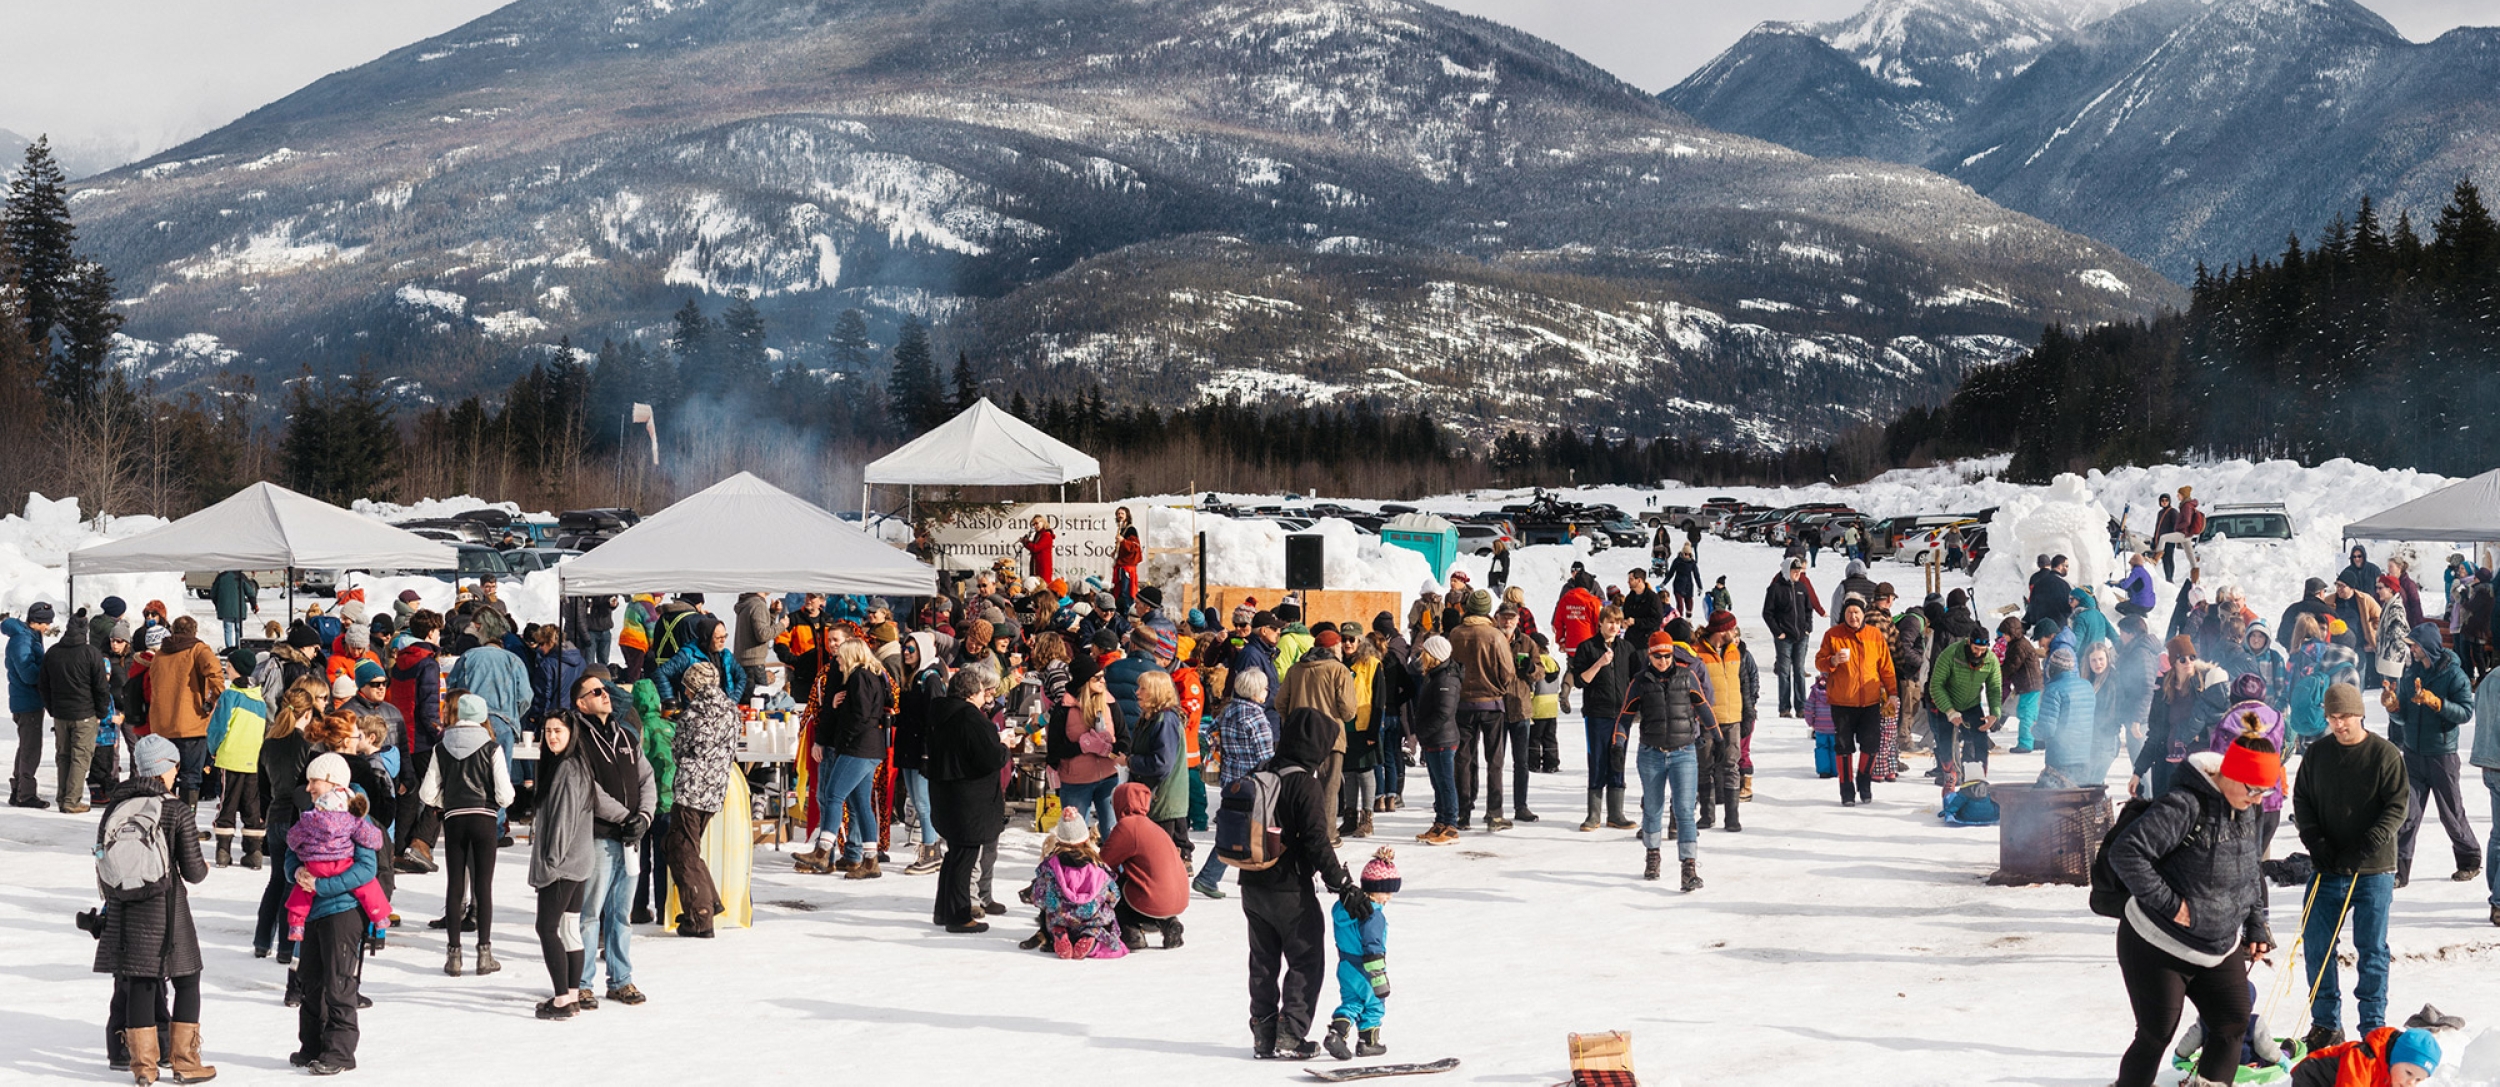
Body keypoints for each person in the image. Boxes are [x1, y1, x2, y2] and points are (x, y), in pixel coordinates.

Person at [2106, 733, 2280, 1087]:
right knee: (2156, 1033)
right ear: (2229, 772)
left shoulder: (2249, 807)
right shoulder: (2184, 804)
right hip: (2157, 943)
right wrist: (2171, 905)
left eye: (2264, 791)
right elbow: (2126, 853)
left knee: (2232, 1022)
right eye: (2252, 788)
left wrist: (2256, 923)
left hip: (2218, 945)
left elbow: (2249, 870)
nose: (2257, 798)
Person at [1241, 708, 1368, 1061]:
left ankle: (1263, 1034)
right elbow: (1316, 841)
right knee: (1306, 958)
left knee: (1263, 961)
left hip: (1251, 883)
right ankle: (1291, 1032)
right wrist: (1342, 884)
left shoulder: (1261, 771)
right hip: (1289, 888)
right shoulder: (1304, 783)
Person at [2294, 683, 2410, 1051]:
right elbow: (2302, 800)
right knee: (2317, 944)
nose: (2339, 724)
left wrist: (2368, 843)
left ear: (2359, 713)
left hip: (2373, 868)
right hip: (2328, 867)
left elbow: (2397, 807)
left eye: (2344, 716)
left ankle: (2373, 1027)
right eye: (2332, 717)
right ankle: (2325, 1023)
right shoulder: (2317, 755)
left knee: (2371, 948)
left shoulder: (2385, 754)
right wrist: (2315, 840)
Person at [94, 735, 215, 1084]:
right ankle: (186, 1063)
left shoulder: (115, 807)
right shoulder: (174, 808)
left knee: (141, 984)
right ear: (165, 768)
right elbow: (194, 872)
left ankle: (144, 1069)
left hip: (125, 910)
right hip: (167, 911)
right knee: (188, 981)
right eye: (174, 764)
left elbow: (103, 864)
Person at [569, 673, 655, 1008]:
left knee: (622, 913)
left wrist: (644, 817)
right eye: (597, 691)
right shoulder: (578, 737)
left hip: (630, 839)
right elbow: (589, 787)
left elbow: (646, 776)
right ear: (581, 702)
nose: (606, 695)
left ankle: (621, 979)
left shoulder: (624, 734)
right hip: (601, 835)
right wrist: (625, 817)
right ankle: (581, 981)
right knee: (590, 913)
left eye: (605, 690)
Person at [421, 693, 514, 975]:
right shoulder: (492, 748)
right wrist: (494, 803)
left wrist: (445, 803)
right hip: (484, 818)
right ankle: (484, 954)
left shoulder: (442, 747)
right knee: (483, 886)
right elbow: (506, 794)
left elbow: (427, 792)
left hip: (454, 820)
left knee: (454, 885)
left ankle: (454, 956)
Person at [2384, 623, 2478, 885]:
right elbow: (2403, 717)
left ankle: (2469, 859)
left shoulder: (2454, 676)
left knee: (2451, 814)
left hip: (2442, 756)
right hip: (2413, 754)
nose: (2411, 649)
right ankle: (2400, 872)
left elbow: (2465, 712)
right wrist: (2393, 707)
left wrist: (2436, 703)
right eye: (2411, 645)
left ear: (2428, 648)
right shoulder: (2409, 674)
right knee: (2406, 814)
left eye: (2415, 645)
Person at [1629, 631, 1716, 889]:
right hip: (1651, 753)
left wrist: (1717, 737)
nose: (1663, 660)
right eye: (1658, 656)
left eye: (1667, 656)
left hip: (1684, 752)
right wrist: (1619, 740)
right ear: (1650, 655)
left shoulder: (1687, 677)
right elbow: (1625, 713)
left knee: (1685, 810)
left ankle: (1688, 868)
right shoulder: (1640, 681)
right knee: (1653, 807)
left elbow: (1703, 707)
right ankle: (1652, 855)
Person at [927, 667, 1010, 932]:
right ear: (972, 693)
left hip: (946, 793)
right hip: (969, 800)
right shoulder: (970, 718)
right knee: (964, 858)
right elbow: (989, 758)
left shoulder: (940, 713)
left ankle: (944, 910)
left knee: (954, 857)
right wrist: (1004, 747)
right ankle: (959, 916)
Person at [528, 704, 597, 1020]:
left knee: (547, 927)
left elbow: (564, 820)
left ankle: (561, 998)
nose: (552, 736)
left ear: (572, 734)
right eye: (548, 731)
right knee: (569, 927)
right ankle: (571, 995)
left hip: (563, 864)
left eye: (558, 731)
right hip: (578, 861)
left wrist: (551, 860)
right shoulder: (573, 765)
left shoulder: (568, 769)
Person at [1817, 598, 1896, 807]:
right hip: (1842, 701)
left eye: (1857, 612)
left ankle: (1864, 779)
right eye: (1850, 613)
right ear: (1844, 615)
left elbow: (1886, 667)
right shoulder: (1833, 635)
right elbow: (1819, 661)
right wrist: (1832, 661)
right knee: (1843, 746)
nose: (1854, 616)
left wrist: (1893, 693)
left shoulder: (1874, 635)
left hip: (1870, 701)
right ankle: (1846, 789)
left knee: (1871, 744)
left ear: (1863, 614)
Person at [1018, 809, 1126, 959]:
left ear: (1060, 839)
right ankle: (1090, 938)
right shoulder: (1098, 867)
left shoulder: (1050, 867)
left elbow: (1039, 895)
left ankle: (1059, 932)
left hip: (1060, 919)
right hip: (1090, 921)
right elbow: (1115, 895)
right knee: (1109, 938)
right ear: (1085, 838)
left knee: (1053, 916)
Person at [1324, 849, 1399, 1061]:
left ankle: (1336, 1033)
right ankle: (1368, 1041)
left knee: (1352, 1001)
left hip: (1346, 965)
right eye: (1387, 893)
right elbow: (1373, 946)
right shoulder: (1373, 916)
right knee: (1375, 1002)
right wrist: (1379, 977)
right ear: (1375, 891)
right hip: (1366, 968)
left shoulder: (1343, 908)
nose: (1389, 898)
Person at [2134, 637, 2230, 800]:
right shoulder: (2163, 691)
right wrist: (2138, 772)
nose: (2188, 662)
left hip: (2201, 764)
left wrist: (2201, 734)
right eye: (2182, 659)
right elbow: (2155, 734)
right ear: (2173, 663)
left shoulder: (2206, 686)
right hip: (2171, 765)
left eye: (2192, 657)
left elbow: (2221, 721)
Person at [1571, 608, 1637, 833]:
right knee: (1598, 760)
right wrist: (1599, 663)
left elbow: (1635, 679)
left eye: (1617, 623)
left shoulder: (1627, 649)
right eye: (1610, 622)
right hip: (1597, 714)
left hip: (1621, 716)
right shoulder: (1587, 648)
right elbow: (1580, 681)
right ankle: (1594, 814)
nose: (1614, 627)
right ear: (1600, 623)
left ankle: (1616, 814)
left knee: (1618, 760)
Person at [41, 609, 113, 816]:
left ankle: (63, 797)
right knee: (80, 758)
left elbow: (43, 685)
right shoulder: (91, 653)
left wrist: (52, 708)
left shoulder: (53, 652)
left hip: (61, 714)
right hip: (85, 714)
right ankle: (72, 801)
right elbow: (101, 687)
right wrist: (101, 712)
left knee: (63, 756)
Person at [1101, 780, 1187, 950]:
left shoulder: (1128, 826)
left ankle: (1131, 931)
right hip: (1178, 899)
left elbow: (1103, 864)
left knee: (1111, 886)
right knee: (1146, 882)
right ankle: (1169, 922)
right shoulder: (1153, 826)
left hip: (1150, 900)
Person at [1405, 636, 1465, 846]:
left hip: (1442, 739)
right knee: (1437, 783)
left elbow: (1444, 712)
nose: (1421, 657)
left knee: (1446, 783)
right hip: (1434, 738)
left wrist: (1423, 732)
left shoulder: (1447, 679)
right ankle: (1440, 821)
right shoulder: (1434, 675)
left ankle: (1450, 825)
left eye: (1425, 653)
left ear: (1435, 655)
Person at [1763, 559, 1816, 718]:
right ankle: (1784, 708)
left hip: (1801, 636)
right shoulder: (1775, 588)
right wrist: (1777, 632)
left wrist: (1808, 627)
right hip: (1784, 637)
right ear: (1787, 570)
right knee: (1784, 672)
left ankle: (1801, 708)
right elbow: (1767, 613)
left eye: (1799, 571)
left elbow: (1809, 609)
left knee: (1799, 671)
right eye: (1794, 570)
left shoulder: (1802, 587)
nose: (1797, 573)